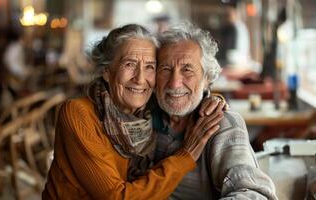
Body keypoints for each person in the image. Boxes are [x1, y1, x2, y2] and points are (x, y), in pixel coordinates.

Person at [42, 24, 225, 199]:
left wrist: (211, 101)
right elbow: (118, 197)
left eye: (149, 67)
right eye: (129, 64)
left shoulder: (145, 110)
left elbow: (179, 94)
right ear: (107, 71)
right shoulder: (77, 113)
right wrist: (186, 156)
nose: (140, 79)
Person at [153, 22, 278, 199]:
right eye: (165, 69)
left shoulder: (221, 124)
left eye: (187, 70)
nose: (174, 83)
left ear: (207, 79)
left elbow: (252, 193)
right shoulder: (141, 116)